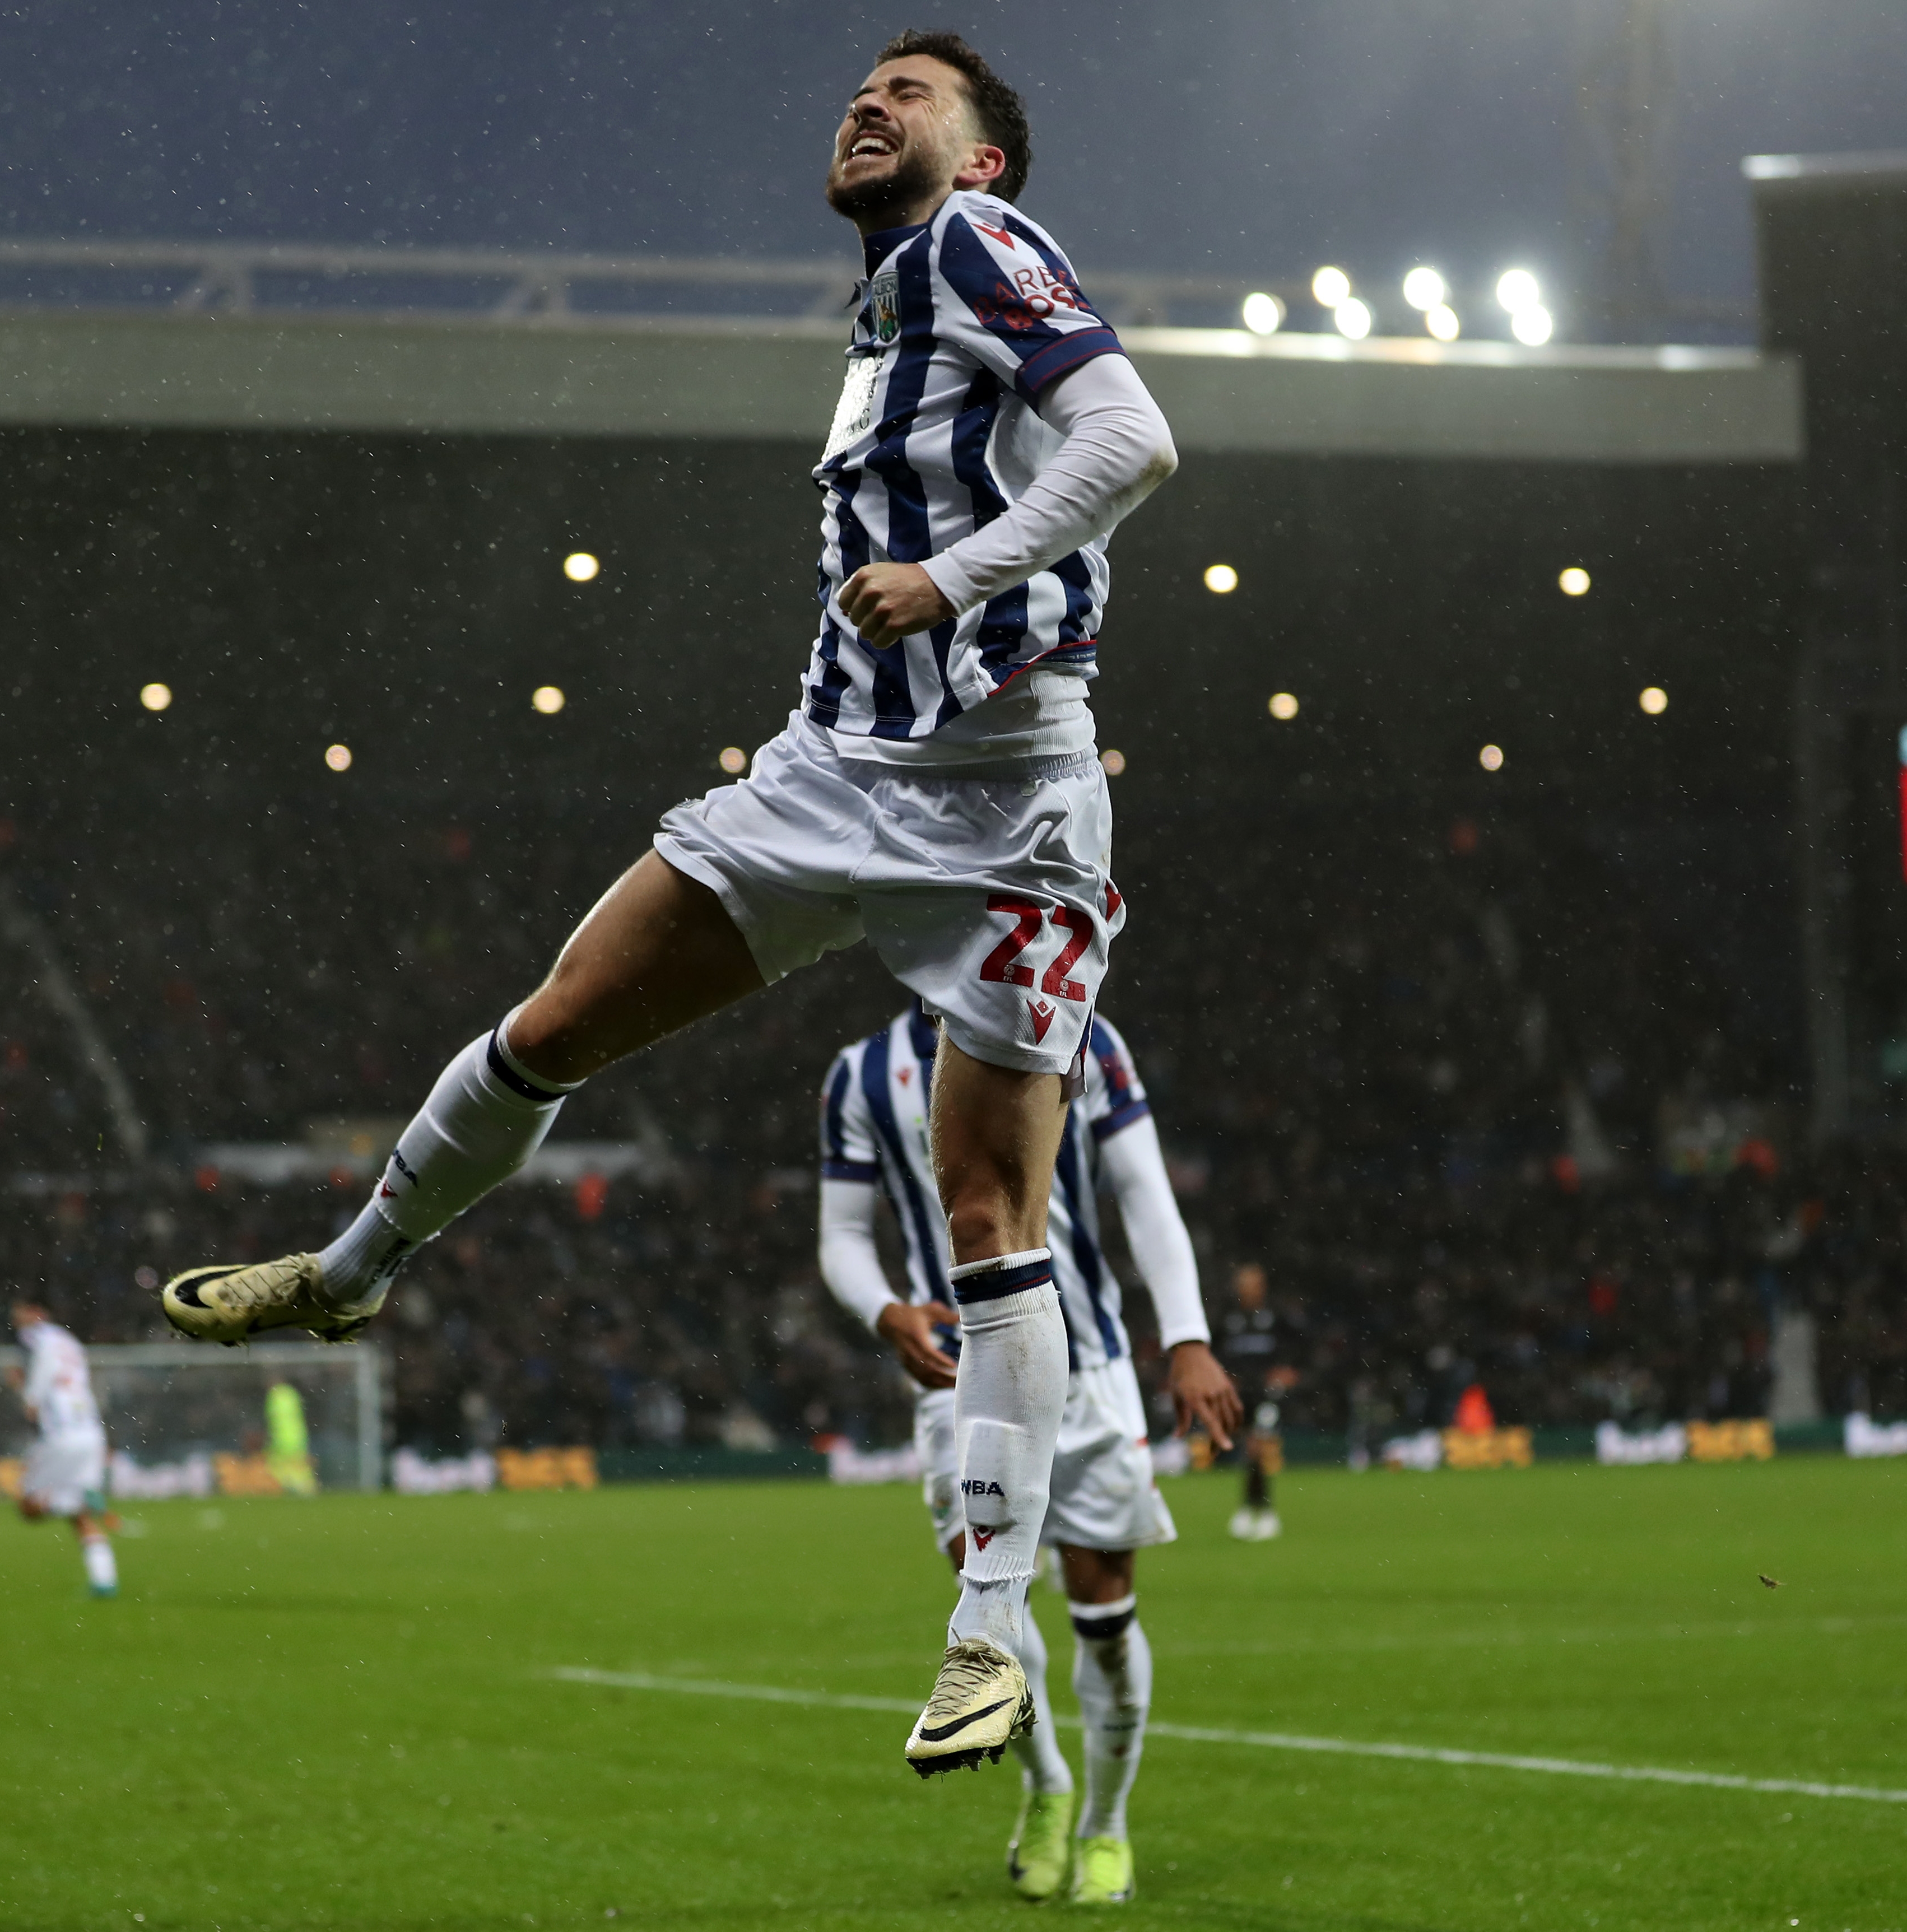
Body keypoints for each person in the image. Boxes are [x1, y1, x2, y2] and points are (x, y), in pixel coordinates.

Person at [155, 29, 1178, 1775]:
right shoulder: (882, 314)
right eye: (857, 88)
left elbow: (1132, 437)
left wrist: (955, 571)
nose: (867, 104)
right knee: (553, 1024)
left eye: (911, 95)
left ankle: (986, 1634)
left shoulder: (975, 247)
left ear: (985, 162)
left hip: (1006, 804)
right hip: (828, 771)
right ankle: (346, 1278)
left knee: (992, 1207)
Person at [818, 1005, 1238, 1901]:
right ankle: (1047, 1784)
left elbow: (1143, 1192)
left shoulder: (1082, 1033)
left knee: (1105, 1611)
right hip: (958, 1389)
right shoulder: (860, 1074)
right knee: (989, 1603)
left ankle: (1106, 1825)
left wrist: (1189, 1335)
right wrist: (884, 1310)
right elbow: (843, 1234)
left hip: (1089, 1375)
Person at [11, 1299, 119, 1598]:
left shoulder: (36, 1335)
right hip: (90, 1432)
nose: (16, 1320)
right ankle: (104, 1581)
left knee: (27, 1506)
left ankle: (74, 1500)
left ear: (37, 1312)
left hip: (61, 1435)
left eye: (20, 1313)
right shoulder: (69, 1340)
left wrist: (29, 1394)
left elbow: (45, 1366)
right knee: (80, 1517)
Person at [1217, 1264, 1291, 1540]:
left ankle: (1261, 1512)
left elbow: (1293, 1349)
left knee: (1256, 1448)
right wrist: (1225, 1377)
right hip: (1240, 1395)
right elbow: (1216, 1353)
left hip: (1267, 1394)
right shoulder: (1229, 1318)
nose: (1249, 1290)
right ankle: (1255, 1510)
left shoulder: (1274, 1317)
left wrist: (1285, 1372)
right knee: (1250, 1452)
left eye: (1253, 1284)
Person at [266, 1378, 318, 1496]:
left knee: (278, 1464)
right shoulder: (292, 1393)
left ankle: (288, 1487)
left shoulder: (274, 1395)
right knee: (299, 1465)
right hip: (298, 1435)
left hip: (281, 1437)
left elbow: (273, 1418)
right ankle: (306, 1488)